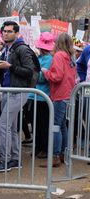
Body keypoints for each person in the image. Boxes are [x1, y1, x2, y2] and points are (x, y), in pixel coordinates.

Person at [0, 21, 36, 173]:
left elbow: (29, 71)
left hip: (18, 92)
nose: (5, 33)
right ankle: (15, 159)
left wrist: (10, 67)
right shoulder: (7, 49)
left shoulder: (22, 49)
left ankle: (5, 160)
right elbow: (7, 69)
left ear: (16, 33)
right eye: (4, 31)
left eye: (9, 31)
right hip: (8, 91)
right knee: (12, 127)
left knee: (3, 126)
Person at [41, 33, 77, 167]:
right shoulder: (70, 57)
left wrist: (46, 72)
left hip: (60, 95)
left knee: (56, 125)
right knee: (62, 126)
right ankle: (62, 153)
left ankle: (56, 156)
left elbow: (57, 77)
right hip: (68, 94)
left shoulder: (58, 55)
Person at [29, 32, 54, 160]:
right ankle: (38, 147)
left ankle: (44, 148)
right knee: (35, 124)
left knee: (43, 125)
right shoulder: (39, 58)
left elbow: (42, 78)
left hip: (43, 97)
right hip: (34, 96)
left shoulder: (49, 59)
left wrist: (32, 74)